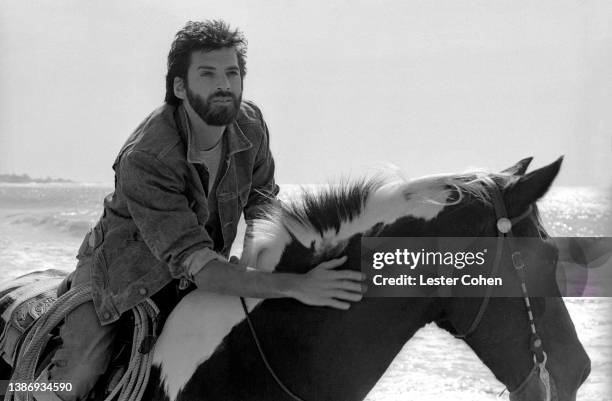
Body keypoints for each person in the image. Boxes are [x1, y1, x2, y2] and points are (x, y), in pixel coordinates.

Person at [33, 20, 366, 401]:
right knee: (75, 378)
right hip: (123, 275)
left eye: (232, 73)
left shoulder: (251, 126)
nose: (224, 85)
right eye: (207, 74)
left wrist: (256, 253)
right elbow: (201, 267)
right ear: (179, 87)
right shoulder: (148, 157)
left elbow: (262, 197)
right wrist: (299, 286)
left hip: (196, 265)